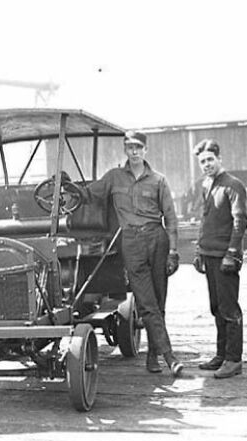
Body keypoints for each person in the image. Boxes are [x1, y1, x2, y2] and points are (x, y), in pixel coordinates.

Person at [85, 130, 184, 377]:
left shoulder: (159, 180)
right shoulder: (113, 177)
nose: (135, 151)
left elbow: (170, 218)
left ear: (145, 150)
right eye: (130, 147)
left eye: (139, 147)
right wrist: (64, 185)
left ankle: (153, 354)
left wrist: (173, 251)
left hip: (157, 239)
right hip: (131, 242)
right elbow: (89, 194)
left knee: (158, 301)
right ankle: (170, 357)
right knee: (145, 301)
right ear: (125, 150)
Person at [192, 139, 247, 379]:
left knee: (229, 308)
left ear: (219, 159)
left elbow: (240, 222)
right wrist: (199, 251)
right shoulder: (207, 185)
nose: (206, 164)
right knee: (216, 307)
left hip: (225, 258)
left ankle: (233, 359)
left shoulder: (233, 185)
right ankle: (221, 354)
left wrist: (231, 254)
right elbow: (206, 220)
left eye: (210, 160)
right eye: (202, 161)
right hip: (210, 256)